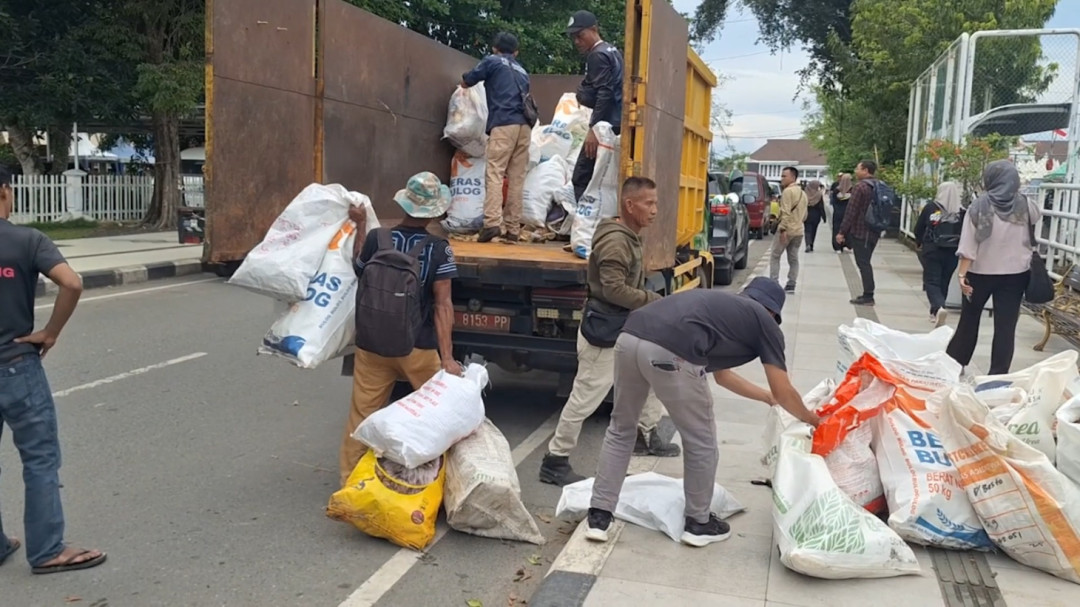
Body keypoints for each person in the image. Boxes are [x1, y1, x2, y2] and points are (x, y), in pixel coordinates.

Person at [585, 278, 820, 547]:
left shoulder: (723, 310)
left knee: (621, 428)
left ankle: (599, 517)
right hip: (672, 351)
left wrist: (767, 398)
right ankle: (698, 523)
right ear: (773, 312)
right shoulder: (765, 323)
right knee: (701, 441)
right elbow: (784, 391)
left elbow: (724, 377)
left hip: (629, 338)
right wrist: (813, 419)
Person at [0, 166, 107, 574]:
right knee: (39, 459)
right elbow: (72, 283)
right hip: (15, 365)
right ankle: (46, 551)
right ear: (6, 192)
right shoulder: (27, 240)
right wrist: (50, 332)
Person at [539, 177, 680, 487]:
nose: (655, 210)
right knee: (585, 398)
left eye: (656, 203)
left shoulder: (628, 235)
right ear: (629, 205)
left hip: (625, 327)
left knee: (650, 377)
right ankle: (555, 460)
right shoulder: (617, 241)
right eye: (649, 203)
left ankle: (648, 434)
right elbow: (614, 289)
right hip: (604, 331)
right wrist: (655, 301)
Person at [339, 172, 463, 485]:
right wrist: (447, 358)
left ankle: (351, 484)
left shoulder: (378, 239)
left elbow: (358, 268)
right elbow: (443, 305)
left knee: (361, 418)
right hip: (417, 349)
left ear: (405, 204)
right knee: (436, 418)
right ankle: (435, 486)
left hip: (372, 345)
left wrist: (361, 225)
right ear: (436, 212)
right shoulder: (439, 249)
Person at [946, 161, 1040, 375]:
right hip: (1017, 275)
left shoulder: (979, 206)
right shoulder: (1027, 205)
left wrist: (961, 275)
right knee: (1006, 326)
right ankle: (997, 374)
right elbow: (1037, 219)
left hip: (979, 274)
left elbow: (968, 246)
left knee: (969, 320)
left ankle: (955, 364)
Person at [461, 32, 534, 244]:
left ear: (495, 48)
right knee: (517, 177)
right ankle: (513, 229)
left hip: (504, 123)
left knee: (494, 171)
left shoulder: (492, 61)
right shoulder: (523, 71)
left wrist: (462, 88)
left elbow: (468, 80)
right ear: (516, 52)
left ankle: (492, 223)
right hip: (525, 127)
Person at [566, 10, 623, 202]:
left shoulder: (596, 55)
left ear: (594, 29)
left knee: (581, 176)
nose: (577, 41)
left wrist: (593, 129)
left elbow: (604, 92)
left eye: (580, 35)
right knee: (602, 178)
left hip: (606, 125)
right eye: (574, 37)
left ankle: (582, 224)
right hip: (615, 123)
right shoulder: (613, 51)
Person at [914, 181, 964, 327]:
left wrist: (919, 242)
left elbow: (919, 228)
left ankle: (938, 307)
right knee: (944, 280)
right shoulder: (961, 212)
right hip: (952, 251)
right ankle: (936, 311)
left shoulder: (931, 207)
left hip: (932, 249)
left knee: (931, 281)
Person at [836, 161, 880, 306]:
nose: (855, 171)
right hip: (874, 230)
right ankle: (868, 293)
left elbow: (851, 211)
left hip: (862, 231)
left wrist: (842, 232)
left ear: (866, 170)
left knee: (863, 263)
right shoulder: (878, 185)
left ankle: (868, 295)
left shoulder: (860, 187)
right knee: (865, 262)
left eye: (858, 168)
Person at [769, 166, 808, 293]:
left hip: (787, 230)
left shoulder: (787, 192)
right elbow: (805, 215)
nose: (781, 179)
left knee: (775, 256)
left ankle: (773, 283)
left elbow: (785, 213)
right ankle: (791, 284)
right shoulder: (803, 193)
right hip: (799, 231)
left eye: (784, 176)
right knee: (793, 258)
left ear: (793, 177)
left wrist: (782, 230)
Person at [830, 173, 852, 253]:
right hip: (848, 213)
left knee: (836, 228)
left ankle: (837, 246)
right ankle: (846, 244)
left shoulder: (837, 190)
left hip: (838, 212)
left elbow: (834, 201)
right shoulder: (852, 190)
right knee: (848, 229)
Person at [803, 180, 827, 253]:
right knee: (813, 230)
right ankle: (811, 244)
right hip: (816, 216)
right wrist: (824, 217)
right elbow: (821, 207)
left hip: (807, 214)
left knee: (807, 230)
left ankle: (808, 244)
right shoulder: (818, 195)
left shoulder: (804, 194)